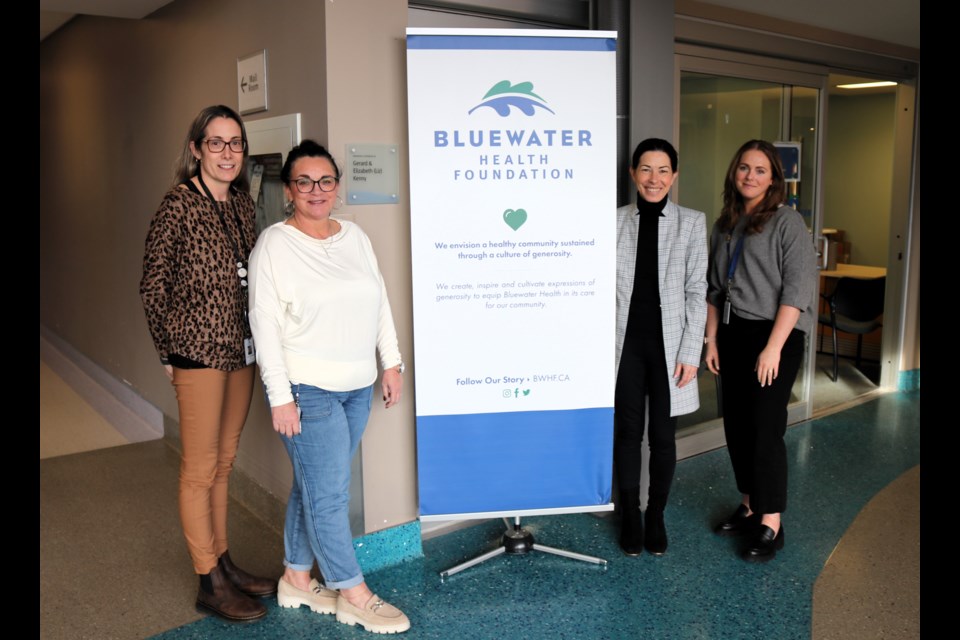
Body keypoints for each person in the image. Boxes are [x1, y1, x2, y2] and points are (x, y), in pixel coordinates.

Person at [248, 140, 410, 634]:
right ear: (289, 190)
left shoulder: (355, 237)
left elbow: (377, 300)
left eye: (325, 181)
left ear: (337, 187)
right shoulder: (274, 245)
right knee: (331, 494)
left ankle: (297, 577)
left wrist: (392, 361)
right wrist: (279, 396)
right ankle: (352, 591)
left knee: (316, 486)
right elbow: (265, 323)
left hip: (357, 387)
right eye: (304, 182)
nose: (316, 191)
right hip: (307, 389)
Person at [140, 105, 275, 621]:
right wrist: (167, 353)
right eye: (215, 143)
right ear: (196, 148)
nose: (227, 153)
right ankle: (207, 581)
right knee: (198, 469)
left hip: (241, 350)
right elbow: (152, 286)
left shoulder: (242, 204)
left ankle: (224, 562)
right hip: (197, 353)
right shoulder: (176, 205)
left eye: (235, 143)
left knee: (223, 461)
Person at [704, 139, 816, 562]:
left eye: (760, 170)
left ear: (774, 179)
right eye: (744, 168)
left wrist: (772, 349)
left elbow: (797, 290)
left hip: (776, 337)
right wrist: (712, 340)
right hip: (732, 334)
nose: (750, 176)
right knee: (737, 425)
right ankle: (750, 503)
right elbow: (714, 290)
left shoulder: (787, 223)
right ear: (735, 173)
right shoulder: (726, 223)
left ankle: (771, 522)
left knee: (766, 428)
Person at [615, 138, 708, 556]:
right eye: (646, 170)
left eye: (663, 170)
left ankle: (656, 514)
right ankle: (631, 514)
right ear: (633, 174)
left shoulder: (691, 222)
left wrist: (691, 351)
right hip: (624, 347)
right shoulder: (613, 222)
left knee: (664, 438)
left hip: (670, 349)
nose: (654, 179)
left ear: (674, 176)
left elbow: (696, 291)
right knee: (627, 435)